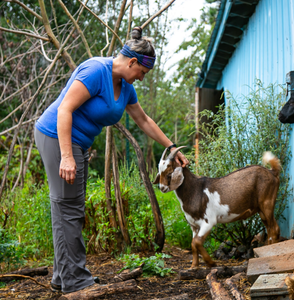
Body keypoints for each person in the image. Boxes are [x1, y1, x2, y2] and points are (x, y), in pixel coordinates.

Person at [34, 27, 189, 294]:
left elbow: (144, 120)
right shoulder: (96, 71)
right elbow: (65, 109)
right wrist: (68, 156)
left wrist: (171, 147)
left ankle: (64, 277)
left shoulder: (125, 87)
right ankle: (76, 280)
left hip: (77, 143)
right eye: (142, 72)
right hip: (56, 137)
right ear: (131, 62)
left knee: (67, 209)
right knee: (69, 209)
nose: (141, 78)